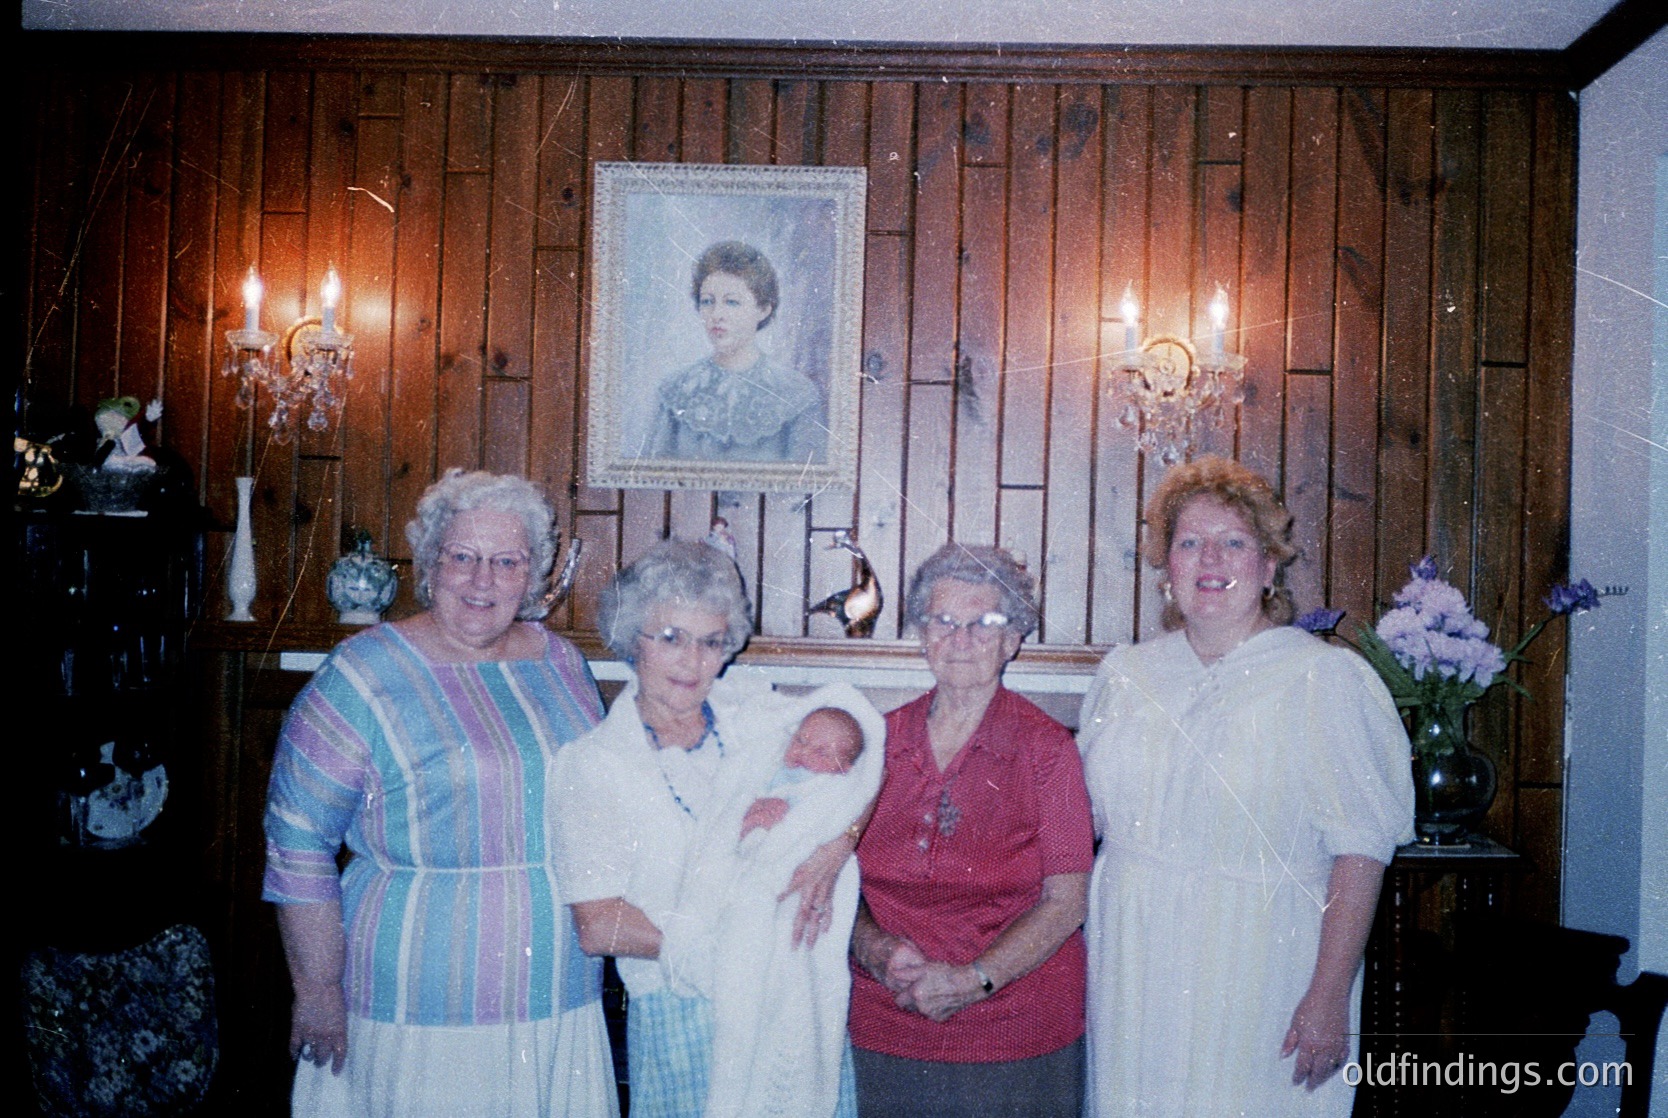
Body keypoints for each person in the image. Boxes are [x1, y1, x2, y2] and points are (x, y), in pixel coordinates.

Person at [262, 469, 617, 1118]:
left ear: (532, 573)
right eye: (462, 557)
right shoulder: (363, 673)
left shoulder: (562, 663)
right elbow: (297, 840)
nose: (483, 580)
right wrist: (316, 988)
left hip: (558, 986)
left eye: (506, 561)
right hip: (417, 998)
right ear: (430, 564)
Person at [1076, 456, 1415, 1117]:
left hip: (1262, 960)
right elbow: (1077, 821)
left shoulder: (1323, 680)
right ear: (1166, 566)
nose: (1210, 559)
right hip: (1135, 960)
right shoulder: (1127, 675)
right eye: (1189, 542)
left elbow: (1362, 849)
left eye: (1234, 542)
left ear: (1268, 567)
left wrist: (1328, 994)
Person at [551, 540, 881, 1118]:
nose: (692, 662)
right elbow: (598, 926)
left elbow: (864, 752)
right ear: (632, 639)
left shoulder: (757, 719)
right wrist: (732, 953)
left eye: (710, 642)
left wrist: (840, 840)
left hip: (795, 1004)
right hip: (683, 1006)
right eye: (671, 638)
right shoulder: (592, 765)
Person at [848, 544, 1094, 1118]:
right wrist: (874, 947)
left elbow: (1066, 902)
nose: (962, 638)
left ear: (1013, 640)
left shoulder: (1047, 750)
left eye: (984, 623)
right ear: (922, 634)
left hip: (1013, 1028)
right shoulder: (876, 740)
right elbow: (835, 875)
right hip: (886, 1019)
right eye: (944, 621)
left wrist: (974, 980)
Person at [647, 241, 825, 464]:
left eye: (732, 302)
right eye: (707, 301)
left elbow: (807, 483)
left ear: (763, 309)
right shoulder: (674, 390)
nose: (716, 314)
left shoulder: (797, 393)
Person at [740, 706, 868, 838]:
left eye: (821, 753)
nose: (804, 752)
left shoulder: (828, 785)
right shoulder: (773, 761)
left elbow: (822, 820)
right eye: (800, 741)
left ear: (843, 768)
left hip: (786, 836)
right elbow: (748, 784)